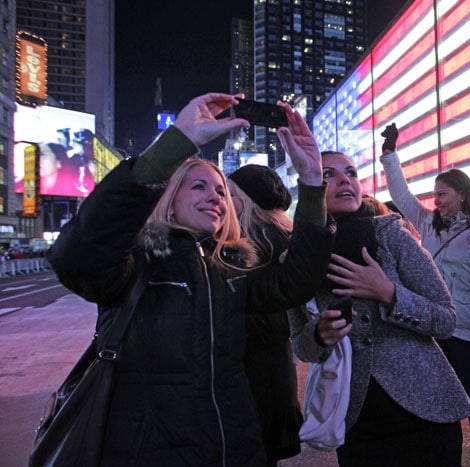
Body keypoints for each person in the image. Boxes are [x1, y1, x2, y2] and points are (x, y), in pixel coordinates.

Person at [46, 93, 334, 465]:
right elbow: (77, 258)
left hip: (234, 448)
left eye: (220, 192)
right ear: (168, 195)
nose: (215, 198)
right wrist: (177, 142)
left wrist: (312, 181)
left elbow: (296, 282)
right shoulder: (135, 262)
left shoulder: (230, 269)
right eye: (198, 186)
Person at [288, 150, 470, 466]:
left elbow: (445, 319)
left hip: (426, 412)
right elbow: (302, 348)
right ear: (308, 187)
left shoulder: (391, 234)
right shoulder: (298, 257)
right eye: (328, 174)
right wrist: (319, 334)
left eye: (351, 172)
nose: (345, 179)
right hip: (357, 419)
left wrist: (388, 293)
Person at [379, 124, 470, 467]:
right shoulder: (427, 222)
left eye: (442, 194)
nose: (435, 200)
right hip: (433, 326)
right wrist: (390, 154)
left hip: (468, 330)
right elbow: (401, 193)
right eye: (435, 194)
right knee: (438, 401)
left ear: (462, 195)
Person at [226, 164, 302, 465]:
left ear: (245, 199)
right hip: (275, 363)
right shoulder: (284, 235)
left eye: (229, 193)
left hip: (255, 363)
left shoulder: (251, 242)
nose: (223, 199)